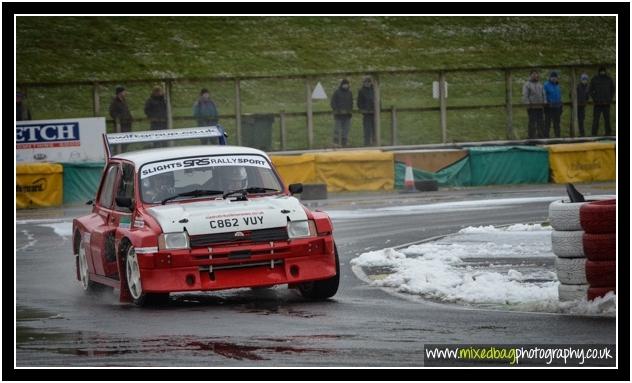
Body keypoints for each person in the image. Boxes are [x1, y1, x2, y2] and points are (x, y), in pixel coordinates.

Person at [590, 66, 615, 136]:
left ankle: (608, 133)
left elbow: (613, 89)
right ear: (599, 72)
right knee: (596, 120)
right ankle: (594, 134)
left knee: (607, 119)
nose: (602, 72)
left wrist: (609, 98)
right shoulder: (594, 79)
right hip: (597, 104)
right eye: (601, 71)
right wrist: (595, 98)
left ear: (605, 71)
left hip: (606, 103)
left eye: (603, 71)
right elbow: (591, 90)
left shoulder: (609, 79)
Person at [521, 70, 545, 139]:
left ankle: (541, 136)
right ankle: (531, 136)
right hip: (531, 107)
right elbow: (525, 95)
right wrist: (528, 105)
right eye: (534, 74)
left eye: (536, 74)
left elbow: (543, 94)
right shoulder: (527, 84)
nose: (535, 76)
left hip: (540, 107)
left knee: (540, 122)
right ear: (530, 75)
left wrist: (544, 102)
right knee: (532, 122)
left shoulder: (540, 84)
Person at [109, 86, 133, 152]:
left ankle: (123, 151)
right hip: (120, 125)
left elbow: (126, 110)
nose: (125, 93)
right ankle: (118, 152)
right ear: (120, 93)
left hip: (127, 123)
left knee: (127, 141)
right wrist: (119, 118)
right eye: (124, 92)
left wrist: (130, 117)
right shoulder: (115, 102)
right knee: (120, 141)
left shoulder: (124, 100)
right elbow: (112, 112)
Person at [330, 79, 353, 147]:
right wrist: (336, 110)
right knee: (337, 129)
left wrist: (350, 110)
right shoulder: (337, 92)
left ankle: (344, 142)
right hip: (338, 114)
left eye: (347, 84)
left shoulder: (349, 93)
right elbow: (333, 102)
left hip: (347, 114)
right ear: (342, 85)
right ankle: (335, 142)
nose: (346, 85)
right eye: (344, 84)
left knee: (346, 129)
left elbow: (351, 102)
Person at [543, 71, 563, 138]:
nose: (554, 78)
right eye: (552, 77)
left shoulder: (557, 85)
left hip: (557, 107)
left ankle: (558, 137)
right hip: (549, 107)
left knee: (557, 124)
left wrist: (560, 106)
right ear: (550, 78)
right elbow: (544, 95)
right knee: (547, 123)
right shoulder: (546, 85)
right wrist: (546, 103)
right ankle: (546, 138)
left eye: (555, 77)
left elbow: (559, 96)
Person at [357, 76, 376, 146]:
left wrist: (378, 109)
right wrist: (362, 109)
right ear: (364, 83)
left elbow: (378, 100)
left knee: (375, 129)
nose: (367, 83)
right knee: (367, 129)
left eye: (369, 82)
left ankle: (375, 143)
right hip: (366, 113)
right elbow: (359, 102)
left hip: (375, 113)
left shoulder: (374, 90)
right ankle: (367, 143)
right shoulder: (361, 91)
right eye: (366, 82)